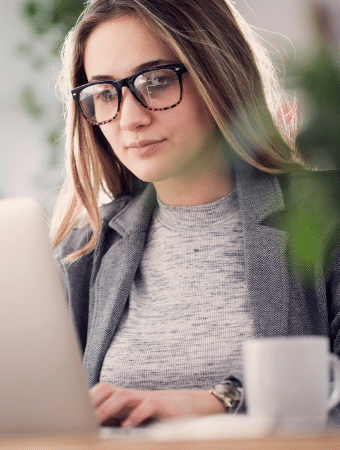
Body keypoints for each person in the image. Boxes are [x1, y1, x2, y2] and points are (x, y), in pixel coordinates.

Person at [50, 0, 340, 428]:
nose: (130, 118)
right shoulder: (85, 250)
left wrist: (222, 400)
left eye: (157, 82)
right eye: (105, 93)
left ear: (217, 75)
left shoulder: (322, 212)